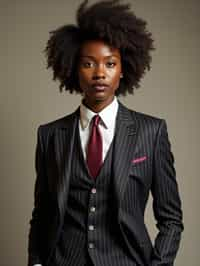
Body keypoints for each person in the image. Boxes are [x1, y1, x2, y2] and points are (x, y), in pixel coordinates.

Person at [28, 1, 184, 266]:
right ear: (74, 70)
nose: (100, 73)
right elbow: (42, 214)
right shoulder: (50, 136)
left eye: (110, 64)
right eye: (88, 64)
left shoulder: (152, 132)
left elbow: (171, 219)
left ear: (122, 70)